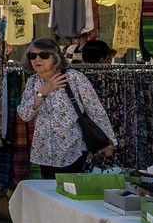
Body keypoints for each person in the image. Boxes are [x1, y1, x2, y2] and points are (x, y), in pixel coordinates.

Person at [17, 38, 117, 175]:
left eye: (44, 55)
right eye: (32, 56)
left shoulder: (74, 78)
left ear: (55, 57)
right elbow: (25, 115)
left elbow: (95, 110)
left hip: (73, 150)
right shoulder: (32, 82)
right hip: (45, 152)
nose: (37, 60)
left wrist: (109, 141)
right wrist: (42, 92)